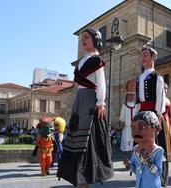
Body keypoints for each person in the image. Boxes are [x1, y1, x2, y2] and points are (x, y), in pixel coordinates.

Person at [57, 28, 113, 188]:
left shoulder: (97, 60)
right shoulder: (82, 61)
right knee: (75, 135)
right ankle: (79, 179)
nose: (83, 40)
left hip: (90, 99)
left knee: (89, 139)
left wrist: (100, 102)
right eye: (82, 38)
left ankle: (86, 178)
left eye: (87, 37)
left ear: (95, 40)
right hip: (80, 100)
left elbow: (101, 83)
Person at [135, 46, 168, 186]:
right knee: (141, 143)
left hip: (153, 112)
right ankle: (143, 174)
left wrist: (159, 115)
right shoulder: (139, 77)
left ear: (153, 58)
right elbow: (138, 99)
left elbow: (161, 97)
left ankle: (161, 177)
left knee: (157, 144)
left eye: (146, 55)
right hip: (142, 112)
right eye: (142, 55)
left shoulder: (157, 76)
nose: (143, 58)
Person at [123, 111, 164, 188]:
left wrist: (148, 161)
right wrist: (128, 165)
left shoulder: (158, 151)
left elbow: (158, 172)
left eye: (141, 127)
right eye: (133, 127)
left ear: (154, 129)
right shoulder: (135, 149)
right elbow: (135, 169)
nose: (136, 131)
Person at [119, 93, 137, 158]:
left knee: (132, 137)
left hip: (133, 125)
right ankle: (125, 151)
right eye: (130, 96)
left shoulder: (135, 106)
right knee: (126, 137)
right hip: (126, 124)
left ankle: (131, 150)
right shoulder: (125, 105)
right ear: (127, 97)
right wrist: (122, 121)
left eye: (133, 96)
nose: (132, 97)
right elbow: (122, 115)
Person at [162, 83, 171, 162]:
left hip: (166, 120)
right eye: (164, 88)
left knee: (168, 137)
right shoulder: (159, 99)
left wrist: (170, 120)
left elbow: (170, 113)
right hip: (160, 119)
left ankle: (169, 155)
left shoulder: (167, 100)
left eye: (166, 88)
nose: (165, 90)